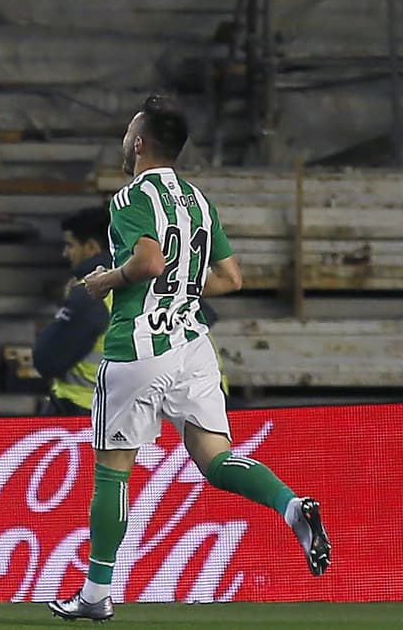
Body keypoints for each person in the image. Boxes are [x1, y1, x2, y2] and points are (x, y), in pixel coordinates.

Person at [49, 95, 331, 622]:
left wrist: (103, 280)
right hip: (192, 346)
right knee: (215, 459)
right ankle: (291, 505)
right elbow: (232, 278)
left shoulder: (131, 197)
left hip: (138, 347)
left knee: (112, 472)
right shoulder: (200, 201)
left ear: (139, 143)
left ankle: (95, 594)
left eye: (129, 129)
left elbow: (149, 260)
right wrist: (181, 284)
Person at [33, 207, 112, 416]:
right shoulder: (149, 284)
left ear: (92, 247)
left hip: (80, 412)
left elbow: (47, 359)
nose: (65, 253)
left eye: (70, 245)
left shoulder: (91, 292)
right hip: (133, 415)